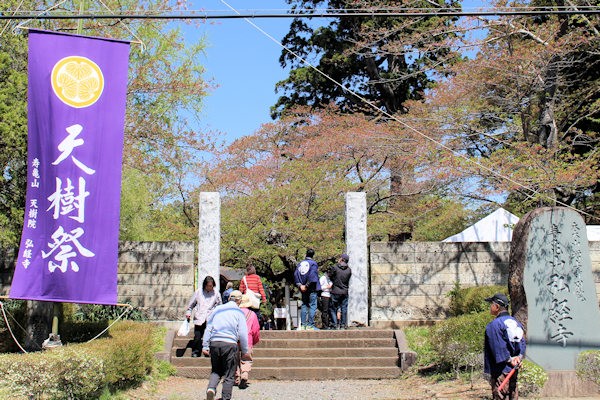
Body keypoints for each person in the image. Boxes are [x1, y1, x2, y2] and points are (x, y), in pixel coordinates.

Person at [202, 290, 252, 400]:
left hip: (214, 343)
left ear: (229, 299)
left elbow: (209, 328)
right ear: (239, 301)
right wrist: (244, 351)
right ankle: (225, 398)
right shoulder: (239, 313)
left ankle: (211, 388)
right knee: (229, 374)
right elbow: (243, 334)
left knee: (216, 370)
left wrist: (205, 345)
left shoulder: (217, 309)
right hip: (230, 344)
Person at [484, 293, 526, 400]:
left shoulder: (494, 325)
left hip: (500, 371)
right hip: (513, 369)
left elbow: (497, 347)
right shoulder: (516, 323)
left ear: (497, 307)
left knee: (500, 396)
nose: (490, 307)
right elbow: (522, 343)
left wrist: (508, 359)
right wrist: (518, 357)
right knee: (513, 395)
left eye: (491, 304)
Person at [185, 275, 222, 357]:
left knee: (210, 336)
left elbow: (219, 305)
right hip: (199, 316)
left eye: (212, 286)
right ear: (205, 285)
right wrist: (188, 313)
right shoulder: (198, 292)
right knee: (197, 336)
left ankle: (208, 351)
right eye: (209, 286)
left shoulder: (216, 293)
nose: (210, 287)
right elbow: (191, 304)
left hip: (210, 317)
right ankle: (196, 351)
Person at [236, 294, 261, 388]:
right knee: (246, 358)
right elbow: (256, 329)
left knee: (235, 359)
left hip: (235, 339)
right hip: (247, 339)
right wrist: (254, 340)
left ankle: (236, 377)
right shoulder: (252, 314)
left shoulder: (235, 313)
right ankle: (245, 374)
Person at [294, 248, 321, 330]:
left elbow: (296, 274)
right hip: (311, 288)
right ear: (313, 255)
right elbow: (313, 276)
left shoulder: (300, 264)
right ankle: (310, 325)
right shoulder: (313, 264)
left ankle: (303, 325)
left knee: (304, 305)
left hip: (303, 288)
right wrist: (307, 285)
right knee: (312, 305)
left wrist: (300, 285)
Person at [329, 253, 352, 330]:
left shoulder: (335, 267)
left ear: (342, 259)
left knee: (333, 308)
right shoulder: (349, 270)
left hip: (335, 291)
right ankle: (343, 325)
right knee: (344, 308)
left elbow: (330, 276)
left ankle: (334, 324)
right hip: (345, 291)